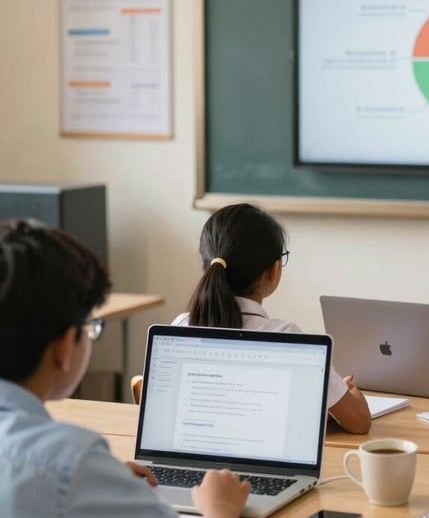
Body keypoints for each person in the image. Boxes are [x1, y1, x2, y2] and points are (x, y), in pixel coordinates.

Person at [0, 218, 249, 518]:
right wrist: (220, 509)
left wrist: (105, 483)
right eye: (92, 325)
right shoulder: (70, 460)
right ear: (64, 347)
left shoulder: (69, 467)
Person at [172, 203, 371, 434]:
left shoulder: (180, 327)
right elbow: (359, 422)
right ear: (274, 270)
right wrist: (350, 394)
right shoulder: (286, 337)